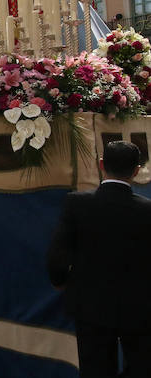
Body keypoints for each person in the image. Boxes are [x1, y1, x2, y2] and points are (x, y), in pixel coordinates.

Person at [47, 140, 151, 376]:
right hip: (139, 306)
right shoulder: (147, 210)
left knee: (95, 368)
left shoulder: (77, 204)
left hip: (89, 304)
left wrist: (60, 281)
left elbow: (58, 253)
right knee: (141, 365)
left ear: (101, 164)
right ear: (136, 171)